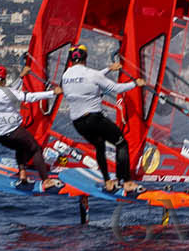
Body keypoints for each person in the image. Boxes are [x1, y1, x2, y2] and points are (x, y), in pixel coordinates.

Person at [61, 45, 144, 193]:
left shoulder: (66, 76)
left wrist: (108, 69)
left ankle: (108, 181)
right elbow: (116, 88)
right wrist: (135, 84)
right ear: (86, 58)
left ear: (71, 59)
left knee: (99, 146)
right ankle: (126, 181)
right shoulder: (92, 74)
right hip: (94, 119)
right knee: (121, 143)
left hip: (78, 124)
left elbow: (84, 79)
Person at [0, 65, 62, 190]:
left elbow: (8, 91)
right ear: (4, 78)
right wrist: (53, 92)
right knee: (35, 149)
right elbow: (30, 97)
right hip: (13, 132)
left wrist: (21, 77)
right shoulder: (7, 93)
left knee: (20, 145)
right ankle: (46, 180)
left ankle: (22, 174)